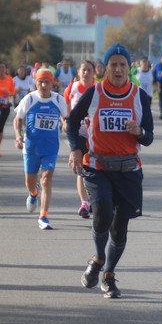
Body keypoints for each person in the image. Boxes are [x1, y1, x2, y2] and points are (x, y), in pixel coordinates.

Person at [67, 43, 154, 299]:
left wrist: (140, 132)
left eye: (123, 65)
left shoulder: (140, 97)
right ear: (106, 68)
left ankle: (108, 273)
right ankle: (97, 258)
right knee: (103, 212)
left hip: (128, 169)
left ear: (129, 68)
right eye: (113, 64)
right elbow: (73, 122)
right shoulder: (94, 93)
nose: (118, 69)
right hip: (97, 166)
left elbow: (149, 137)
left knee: (120, 228)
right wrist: (76, 149)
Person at [14, 68, 67, 230]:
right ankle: (33, 193)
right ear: (35, 83)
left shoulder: (59, 100)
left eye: (47, 82)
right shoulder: (29, 99)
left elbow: (66, 118)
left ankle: (43, 215)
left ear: (53, 83)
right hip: (31, 147)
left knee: (46, 179)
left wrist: (65, 125)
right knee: (30, 183)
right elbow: (18, 119)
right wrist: (18, 135)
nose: (43, 85)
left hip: (50, 148)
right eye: (40, 82)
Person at [63, 59, 95, 219]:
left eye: (89, 70)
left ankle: (96, 200)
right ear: (78, 72)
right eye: (84, 70)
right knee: (80, 168)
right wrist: (65, 121)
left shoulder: (99, 89)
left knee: (96, 169)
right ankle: (84, 203)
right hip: (79, 134)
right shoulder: (72, 88)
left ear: (94, 73)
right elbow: (66, 106)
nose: (86, 73)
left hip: (96, 136)